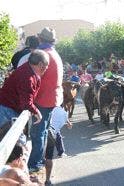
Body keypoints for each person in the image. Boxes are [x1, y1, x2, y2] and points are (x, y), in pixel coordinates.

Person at [28, 27, 64, 173]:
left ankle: (34, 164)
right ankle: (39, 160)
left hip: (43, 99)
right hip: (52, 98)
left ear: (40, 39)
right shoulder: (54, 52)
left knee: (38, 132)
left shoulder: (42, 54)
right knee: (43, 130)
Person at [0, 50, 49, 127]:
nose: (47, 68)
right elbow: (26, 103)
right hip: (7, 110)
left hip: (8, 107)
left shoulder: (28, 68)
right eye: (47, 66)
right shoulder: (27, 78)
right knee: (13, 137)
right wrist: (37, 112)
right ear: (40, 64)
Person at [45, 106, 72, 185]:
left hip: (48, 128)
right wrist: (69, 123)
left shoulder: (50, 108)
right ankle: (60, 152)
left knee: (57, 135)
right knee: (57, 135)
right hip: (52, 130)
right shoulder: (63, 112)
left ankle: (60, 152)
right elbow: (68, 123)